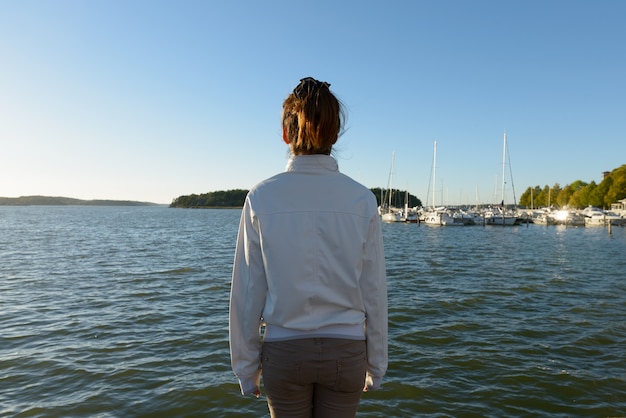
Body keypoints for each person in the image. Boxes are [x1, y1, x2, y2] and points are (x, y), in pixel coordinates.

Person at [229, 77, 388, 418]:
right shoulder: (363, 200)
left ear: (286, 135)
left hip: (284, 353)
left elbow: (248, 293)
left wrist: (245, 368)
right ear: (334, 135)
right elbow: (373, 290)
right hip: (346, 353)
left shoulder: (261, 197)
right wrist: (377, 363)